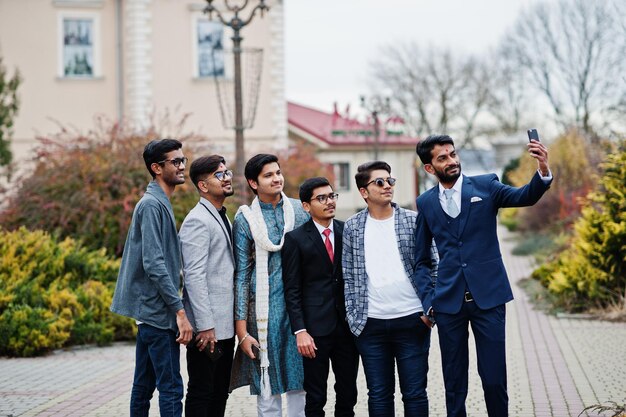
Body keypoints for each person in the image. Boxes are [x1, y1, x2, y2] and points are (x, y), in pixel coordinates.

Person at [413, 134, 552, 417]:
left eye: (453, 154)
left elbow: (525, 195)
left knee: (494, 379)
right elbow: (421, 261)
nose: (451, 161)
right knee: (454, 383)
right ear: (429, 168)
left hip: (488, 299)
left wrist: (543, 170)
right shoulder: (425, 203)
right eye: (442, 158)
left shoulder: (486, 185)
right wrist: (429, 301)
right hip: (448, 304)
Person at [342, 161, 438, 417]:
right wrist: (355, 319)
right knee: (380, 395)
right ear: (364, 191)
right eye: (379, 182)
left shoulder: (414, 221)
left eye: (390, 181)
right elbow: (349, 275)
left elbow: (433, 265)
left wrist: (430, 310)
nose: (387, 186)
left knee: (415, 393)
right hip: (370, 325)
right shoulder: (352, 227)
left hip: (413, 320)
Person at [110, 138, 193, 417]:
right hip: (157, 313)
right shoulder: (151, 205)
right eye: (176, 162)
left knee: (144, 386)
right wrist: (179, 311)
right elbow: (154, 264)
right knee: (171, 387)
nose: (182, 166)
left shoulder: (159, 202)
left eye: (183, 160)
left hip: (150, 312)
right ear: (157, 168)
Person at [229, 154, 310, 417]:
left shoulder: (300, 211)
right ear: (253, 183)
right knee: (267, 380)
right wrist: (242, 332)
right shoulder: (245, 219)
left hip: (300, 310)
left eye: (278, 172)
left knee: (301, 381)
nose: (277, 178)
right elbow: (241, 275)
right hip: (264, 314)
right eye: (268, 175)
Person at [282, 177, 359, 417]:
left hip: (347, 327)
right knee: (315, 396)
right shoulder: (295, 239)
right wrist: (300, 331)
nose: (329, 202)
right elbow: (292, 289)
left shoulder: (347, 231)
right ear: (306, 206)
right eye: (321, 198)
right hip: (314, 330)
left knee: (348, 393)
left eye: (332, 196)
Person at [179, 155, 236, 417]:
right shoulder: (197, 220)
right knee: (203, 390)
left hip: (223, 326)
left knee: (219, 390)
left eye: (227, 173)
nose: (227, 179)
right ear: (203, 186)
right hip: (208, 329)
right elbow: (194, 276)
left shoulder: (220, 215)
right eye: (220, 175)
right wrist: (205, 326)